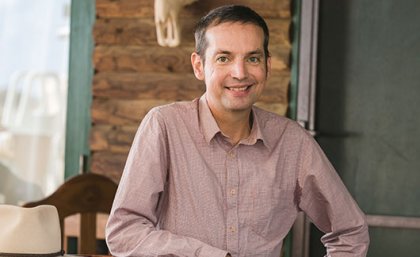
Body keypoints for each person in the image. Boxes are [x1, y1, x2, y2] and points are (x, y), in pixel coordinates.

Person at [106, 5, 369, 257]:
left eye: (252, 58)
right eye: (224, 58)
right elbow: (124, 233)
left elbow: (350, 232)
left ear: (267, 64)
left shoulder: (292, 142)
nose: (240, 72)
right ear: (199, 66)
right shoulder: (164, 125)